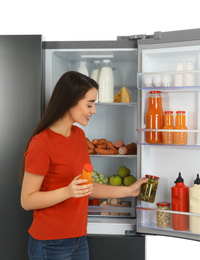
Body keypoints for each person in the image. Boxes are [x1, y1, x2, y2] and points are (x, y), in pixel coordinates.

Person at [20, 71, 147, 260]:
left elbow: (86, 186)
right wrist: (67, 191)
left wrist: (128, 191)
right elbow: (27, 201)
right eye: (89, 104)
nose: (93, 110)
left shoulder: (78, 136)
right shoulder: (41, 143)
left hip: (79, 239)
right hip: (50, 243)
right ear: (69, 101)